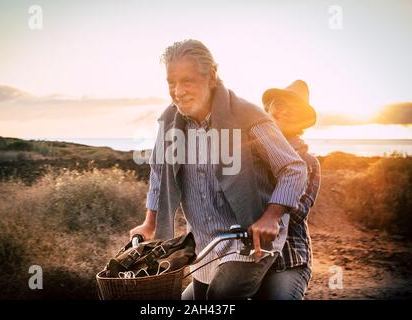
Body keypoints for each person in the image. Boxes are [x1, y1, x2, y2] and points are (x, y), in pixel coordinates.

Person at [129, 39, 308, 300]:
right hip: (205, 243)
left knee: (221, 295)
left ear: (211, 77)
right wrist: (150, 223)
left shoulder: (248, 116)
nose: (178, 91)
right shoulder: (169, 123)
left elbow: (293, 168)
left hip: (248, 242)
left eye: (187, 81)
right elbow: (159, 173)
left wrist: (271, 216)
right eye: (171, 83)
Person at [254, 80, 321, 299]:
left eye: (293, 108)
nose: (283, 110)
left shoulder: (307, 162)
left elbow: (296, 213)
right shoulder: (249, 153)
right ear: (268, 108)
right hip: (245, 256)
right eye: (278, 103)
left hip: (288, 259)